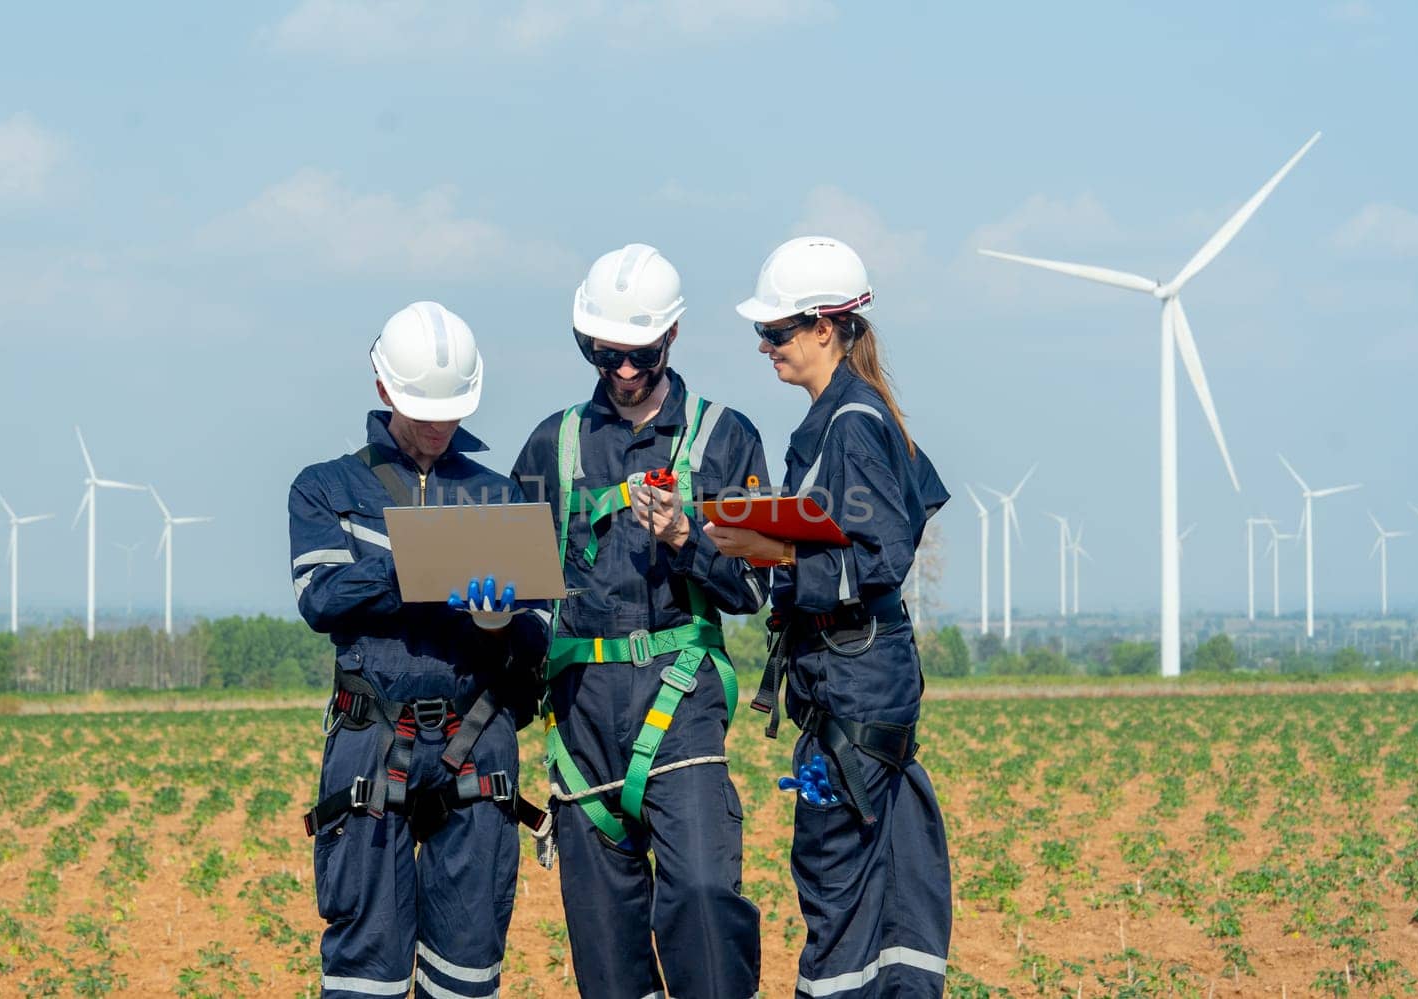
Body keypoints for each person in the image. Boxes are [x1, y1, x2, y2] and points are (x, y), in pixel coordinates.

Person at [512, 244, 768, 998]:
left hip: (680, 703)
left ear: (673, 337)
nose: (623, 371)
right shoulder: (550, 444)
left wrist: (689, 541)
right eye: (604, 354)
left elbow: (753, 587)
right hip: (581, 715)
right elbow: (524, 590)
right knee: (606, 955)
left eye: (641, 355)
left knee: (702, 901)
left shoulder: (725, 439)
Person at [707, 237, 953, 997]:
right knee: (871, 887)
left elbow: (881, 556)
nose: (765, 346)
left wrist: (776, 553)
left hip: (855, 686)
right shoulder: (840, 416)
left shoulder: (852, 422)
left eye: (777, 332)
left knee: (835, 878)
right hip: (850, 681)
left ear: (825, 328)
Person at [290, 301, 550, 999]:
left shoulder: (498, 496)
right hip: (372, 739)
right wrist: (414, 564)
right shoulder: (326, 489)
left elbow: (541, 632)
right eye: (422, 409)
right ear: (383, 391)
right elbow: (319, 596)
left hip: (478, 739)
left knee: (467, 974)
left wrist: (503, 625)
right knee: (363, 973)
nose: (440, 426)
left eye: (453, 410)